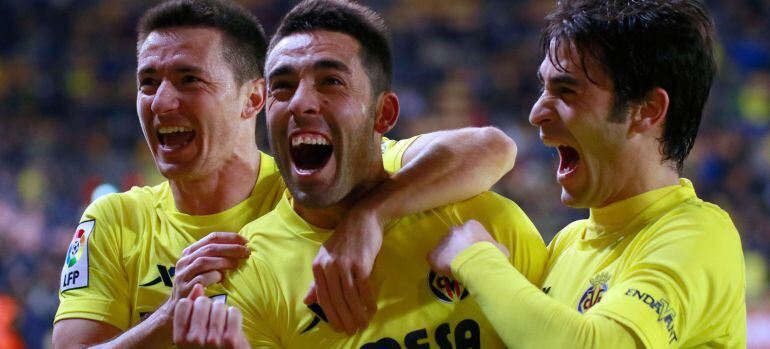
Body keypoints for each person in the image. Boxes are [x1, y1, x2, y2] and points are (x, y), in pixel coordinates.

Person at [51, 0, 519, 348]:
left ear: (252, 99)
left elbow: (492, 147)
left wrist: (368, 216)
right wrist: (167, 319)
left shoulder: (314, 188)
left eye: (189, 79)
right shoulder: (116, 220)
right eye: (147, 83)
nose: (161, 101)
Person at [428, 0, 746, 347]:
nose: (536, 113)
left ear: (647, 110)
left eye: (566, 91)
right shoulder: (567, 243)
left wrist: (476, 258)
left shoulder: (699, 236)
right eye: (543, 88)